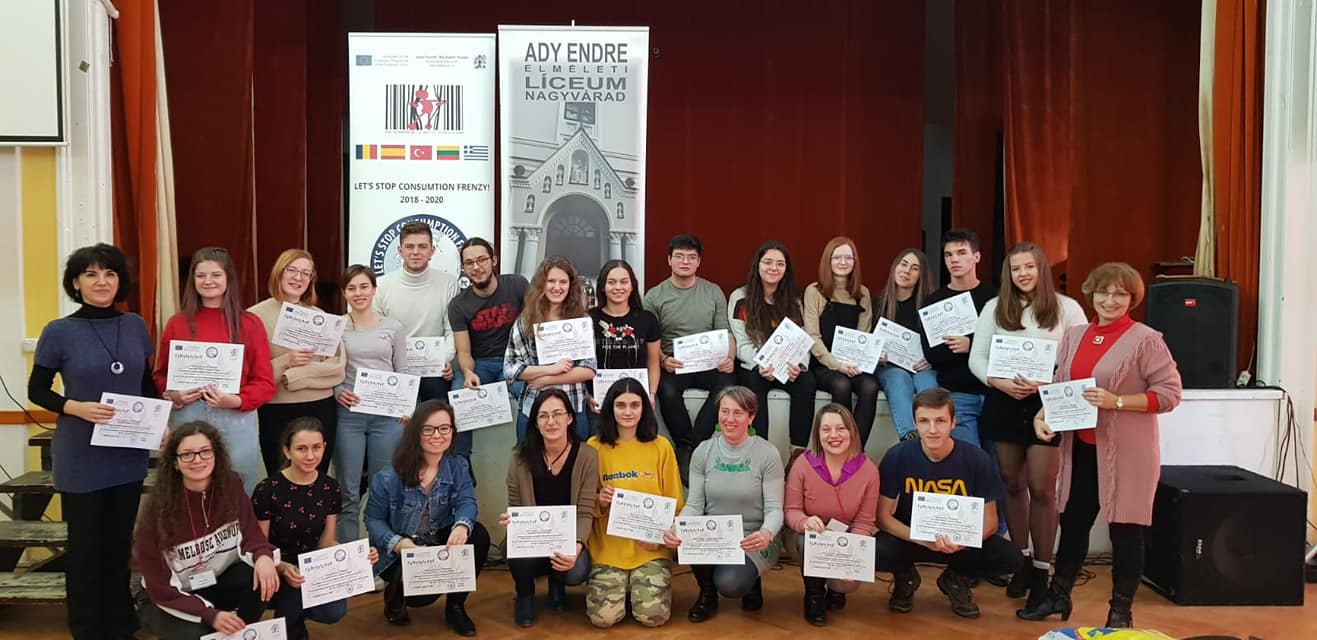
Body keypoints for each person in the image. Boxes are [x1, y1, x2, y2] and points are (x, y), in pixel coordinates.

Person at [1020, 263, 1182, 627]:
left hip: (1128, 454)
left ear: (1132, 299)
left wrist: (1117, 402)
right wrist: (1042, 415)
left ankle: (1120, 612)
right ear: (1090, 294)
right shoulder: (1074, 335)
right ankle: (1059, 595)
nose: (1110, 300)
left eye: (1120, 294)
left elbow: (1170, 394)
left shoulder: (1146, 340)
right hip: (1081, 449)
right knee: (1073, 523)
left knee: (1126, 530)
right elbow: (1061, 383)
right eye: (1103, 292)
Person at [27, 244, 156, 640]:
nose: (101, 282)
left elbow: (145, 385)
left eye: (109, 274)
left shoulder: (134, 325)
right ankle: (86, 629)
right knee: (85, 550)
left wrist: (160, 424)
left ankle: (120, 626)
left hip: (127, 454)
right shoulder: (58, 331)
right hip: (81, 456)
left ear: (120, 282)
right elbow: (37, 390)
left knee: (118, 547)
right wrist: (75, 408)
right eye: (91, 274)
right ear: (76, 283)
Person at [968, 242, 1087, 602]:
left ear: (1041, 269)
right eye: (1016, 268)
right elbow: (977, 357)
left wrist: (1048, 383)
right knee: (1011, 483)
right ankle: (1019, 561)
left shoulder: (1068, 308)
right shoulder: (994, 307)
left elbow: (1079, 359)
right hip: (1003, 400)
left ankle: (1041, 571)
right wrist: (998, 381)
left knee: (1041, 487)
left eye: (1029, 267)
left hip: (1047, 403)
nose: (1023, 274)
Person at [875, 388, 1021, 618]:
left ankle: (956, 578)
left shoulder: (977, 459)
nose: (932, 429)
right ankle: (905, 577)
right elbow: (882, 517)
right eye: (924, 421)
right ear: (915, 423)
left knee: (1010, 557)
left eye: (940, 421)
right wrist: (919, 538)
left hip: (959, 542)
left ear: (953, 423)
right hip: (913, 538)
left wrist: (962, 542)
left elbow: (991, 522)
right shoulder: (897, 456)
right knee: (873, 550)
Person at [135, 422, 280, 640]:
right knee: (200, 633)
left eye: (205, 451)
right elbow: (160, 588)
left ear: (216, 455)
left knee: (261, 575)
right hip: (168, 597)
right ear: (175, 463)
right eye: (187, 454)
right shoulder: (156, 510)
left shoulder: (231, 485)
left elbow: (251, 533)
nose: (198, 460)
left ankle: (240, 632)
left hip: (213, 581)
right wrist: (209, 614)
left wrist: (263, 556)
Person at [154, 247, 275, 494]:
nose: (208, 281)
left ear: (229, 278)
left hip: (235, 417)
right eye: (201, 275)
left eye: (216, 275)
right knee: (186, 491)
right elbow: (160, 375)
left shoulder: (249, 324)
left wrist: (237, 400)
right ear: (192, 280)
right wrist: (173, 394)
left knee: (236, 491)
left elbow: (264, 382)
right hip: (187, 416)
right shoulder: (177, 323)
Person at [364, 399, 491, 634]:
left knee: (479, 535)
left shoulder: (458, 465)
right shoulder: (388, 476)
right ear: (416, 432)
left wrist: (461, 526)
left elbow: (466, 501)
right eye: (429, 429)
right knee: (420, 598)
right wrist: (399, 544)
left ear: (453, 431)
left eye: (444, 428)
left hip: (436, 537)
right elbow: (373, 520)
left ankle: (455, 607)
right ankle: (396, 594)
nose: (437, 435)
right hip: (399, 549)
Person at [663, 386, 785, 623]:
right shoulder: (703, 451)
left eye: (738, 413)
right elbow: (695, 505)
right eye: (725, 411)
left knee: (731, 583)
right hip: (714, 533)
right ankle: (707, 594)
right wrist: (677, 527)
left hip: (753, 535)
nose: (730, 419)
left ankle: (752, 580)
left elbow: (774, 509)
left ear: (751, 417)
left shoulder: (768, 453)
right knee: (684, 537)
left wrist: (766, 533)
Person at [253, 418, 378, 639]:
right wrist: (281, 567)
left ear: (324, 448)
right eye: (301, 449)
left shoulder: (329, 487)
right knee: (291, 600)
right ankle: (290, 624)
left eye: (316, 447)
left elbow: (326, 542)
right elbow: (260, 545)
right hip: (277, 564)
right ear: (287, 451)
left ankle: (294, 618)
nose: (310, 456)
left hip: (314, 565)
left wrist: (358, 557)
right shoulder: (267, 489)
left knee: (334, 611)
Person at [585, 377, 685, 628]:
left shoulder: (661, 447)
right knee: (603, 619)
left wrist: (660, 539)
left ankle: (636, 590)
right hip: (609, 549)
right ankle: (623, 589)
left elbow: (675, 502)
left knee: (653, 617)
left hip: (651, 549)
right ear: (610, 408)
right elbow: (583, 502)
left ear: (644, 408)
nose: (627, 412)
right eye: (620, 405)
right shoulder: (594, 447)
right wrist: (599, 501)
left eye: (634, 405)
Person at [501, 388, 599, 627]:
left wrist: (577, 546)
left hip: (568, 538)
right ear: (535, 422)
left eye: (557, 414)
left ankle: (558, 585)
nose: (551, 421)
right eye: (543, 416)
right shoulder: (519, 458)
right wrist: (512, 522)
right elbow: (515, 504)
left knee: (577, 571)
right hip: (533, 539)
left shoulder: (587, 456)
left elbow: (586, 510)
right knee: (514, 547)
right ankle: (525, 594)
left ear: (570, 418)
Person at [644, 234, 737, 482]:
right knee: (667, 391)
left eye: (691, 257)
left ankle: (694, 446)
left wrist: (729, 357)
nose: (685, 262)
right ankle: (684, 444)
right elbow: (650, 339)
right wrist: (663, 360)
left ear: (698, 262)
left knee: (727, 386)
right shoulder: (654, 296)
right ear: (669, 260)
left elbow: (726, 331)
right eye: (679, 256)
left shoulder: (713, 291)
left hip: (710, 362)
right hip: (674, 363)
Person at [249, 249, 346, 477]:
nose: (298, 278)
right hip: (276, 409)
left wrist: (293, 376)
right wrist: (286, 361)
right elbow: (250, 372)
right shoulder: (254, 317)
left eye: (305, 273)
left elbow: (336, 367)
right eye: (291, 270)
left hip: (320, 407)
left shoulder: (320, 316)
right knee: (280, 477)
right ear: (279, 273)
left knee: (317, 477)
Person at [333, 265, 409, 544]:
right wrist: (337, 391)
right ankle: (349, 557)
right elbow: (328, 369)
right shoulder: (336, 327)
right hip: (348, 416)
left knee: (383, 488)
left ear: (374, 290)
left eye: (364, 286)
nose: (358, 293)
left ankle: (382, 554)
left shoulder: (393, 327)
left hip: (386, 419)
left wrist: (406, 406)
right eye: (351, 288)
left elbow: (403, 370)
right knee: (348, 491)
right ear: (344, 293)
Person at [784, 404, 879, 626]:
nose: (833, 435)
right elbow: (790, 510)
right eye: (826, 429)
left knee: (847, 584)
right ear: (817, 434)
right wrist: (804, 522)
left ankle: (836, 590)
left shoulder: (869, 471)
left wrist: (851, 558)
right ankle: (814, 595)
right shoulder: (802, 464)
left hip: (846, 537)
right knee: (808, 541)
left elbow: (865, 522)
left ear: (852, 432)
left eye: (841, 428)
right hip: (806, 536)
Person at [728, 241, 817, 447]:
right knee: (754, 382)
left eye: (780, 264)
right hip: (756, 366)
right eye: (767, 262)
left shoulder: (794, 301)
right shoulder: (740, 298)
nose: (773, 268)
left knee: (807, 381)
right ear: (757, 265)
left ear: (786, 269)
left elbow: (802, 340)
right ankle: (760, 449)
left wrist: (799, 364)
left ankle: (797, 451)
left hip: (786, 366)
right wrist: (761, 364)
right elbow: (741, 344)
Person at [449, 237, 530, 457]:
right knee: (459, 398)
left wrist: (528, 367)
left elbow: (535, 324)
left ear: (493, 260)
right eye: (469, 263)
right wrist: (468, 372)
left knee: (533, 395)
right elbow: (464, 351)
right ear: (464, 268)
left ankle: (526, 458)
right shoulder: (458, 305)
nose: (476, 267)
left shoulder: (517, 285)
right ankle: (461, 463)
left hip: (514, 361)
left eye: (482, 260)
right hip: (480, 364)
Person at [503, 256, 597, 443]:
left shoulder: (581, 321)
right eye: (551, 281)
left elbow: (588, 369)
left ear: (571, 285)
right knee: (530, 460)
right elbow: (509, 368)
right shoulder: (525, 321)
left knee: (574, 460)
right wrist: (551, 369)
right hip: (534, 408)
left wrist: (545, 380)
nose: (557, 287)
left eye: (563, 282)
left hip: (573, 407)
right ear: (541, 284)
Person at [375, 222, 459, 428]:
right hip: (395, 370)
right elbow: (377, 335)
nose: (415, 252)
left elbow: (451, 330)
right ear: (399, 250)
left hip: (434, 370)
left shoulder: (448, 283)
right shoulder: (381, 285)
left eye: (422, 247)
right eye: (410, 246)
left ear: (432, 251)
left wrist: (444, 360)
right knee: (396, 432)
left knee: (436, 424)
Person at [802, 236, 880, 446]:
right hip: (824, 363)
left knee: (870, 386)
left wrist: (855, 363)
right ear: (827, 260)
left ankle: (856, 449)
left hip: (853, 363)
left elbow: (864, 335)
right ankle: (839, 445)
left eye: (848, 257)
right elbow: (812, 336)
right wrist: (837, 365)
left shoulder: (862, 293)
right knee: (841, 385)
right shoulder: (814, 291)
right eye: (837, 257)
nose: (843, 262)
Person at [922, 229, 997, 446]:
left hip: (995, 392)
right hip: (957, 394)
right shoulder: (934, 302)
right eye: (948, 254)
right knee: (968, 458)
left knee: (998, 463)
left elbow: (1008, 348)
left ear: (977, 256)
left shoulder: (995, 298)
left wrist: (972, 345)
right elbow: (933, 354)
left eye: (961, 253)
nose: (954, 259)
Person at [874, 248, 939, 441]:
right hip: (887, 367)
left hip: (921, 367)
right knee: (899, 378)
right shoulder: (877, 303)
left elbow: (940, 343)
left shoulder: (930, 306)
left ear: (921, 276)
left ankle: (933, 435)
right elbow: (865, 341)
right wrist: (875, 355)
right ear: (895, 267)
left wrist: (931, 358)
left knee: (927, 382)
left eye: (914, 268)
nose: (906, 271)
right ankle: (910, 437)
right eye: (903, 264)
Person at [590, 259, 662, 400]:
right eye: (611, 282)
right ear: (603, 286)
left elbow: (653, 362)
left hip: (636, 400)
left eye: (624, 282)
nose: (618, 287)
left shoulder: (647, 319)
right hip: (598, 400)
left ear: (632, 285)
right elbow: (581, 365)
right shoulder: (589, 319)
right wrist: (588, 397)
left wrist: (652, 394)